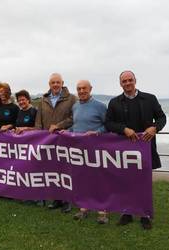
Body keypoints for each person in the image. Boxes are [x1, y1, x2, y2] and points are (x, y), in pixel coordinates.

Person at [105, 70, 166, 230]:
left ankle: (144, 214)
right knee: (124, 182)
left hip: (145, 147)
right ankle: (127, 212)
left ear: (135, 80)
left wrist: (155, 127)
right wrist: (124, 129)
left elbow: (162, 117)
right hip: (123, 150)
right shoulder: (114, 102)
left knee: (144, 183)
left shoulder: (150, 98)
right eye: (124, 81)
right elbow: (108, 123)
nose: (127, 83)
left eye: (129, 80)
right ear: (120, 84)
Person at [34, 73, 77, 212]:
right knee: (51, 169)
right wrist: (37, 136)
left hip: (64, 139)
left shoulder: (71, 99)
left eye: (58, 82)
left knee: (65, 170)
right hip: (47, 141)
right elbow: (38, 121)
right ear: (49, 84)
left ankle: (67, 200)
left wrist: (59, 125)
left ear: (62, 83)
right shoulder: (43, 100)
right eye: (53, 83)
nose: (55, 85)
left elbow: (73, 118)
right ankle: (56, 199)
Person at [69, 80, 108, 224]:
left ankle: (102, 211)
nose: (81, 91)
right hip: (79, 151)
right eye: (78, 88)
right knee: (83, 180)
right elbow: (76, 126)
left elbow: (108, 125)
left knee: (98, 180)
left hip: (96, 150)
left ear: (90, 89)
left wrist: (97, 132)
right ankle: (84, 208)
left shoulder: (100, 106)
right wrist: (65, 132)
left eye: (84, 88)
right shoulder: (75, 106)